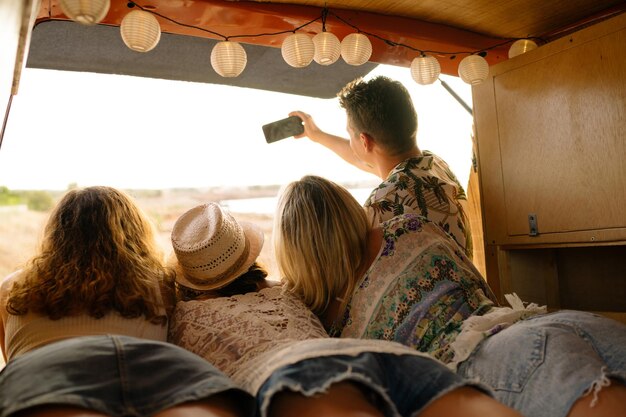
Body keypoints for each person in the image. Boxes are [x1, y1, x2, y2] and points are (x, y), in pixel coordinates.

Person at [272, 174, 626, 417]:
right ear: (347, 207)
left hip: (492, 364)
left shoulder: (325, 316)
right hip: (551, 322)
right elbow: (480, 288)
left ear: (294, 252)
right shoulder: (408, 226)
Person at [167, 202, 523, 417]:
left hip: (292, 375)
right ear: (247, 256)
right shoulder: (284, 292)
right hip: (378, 355)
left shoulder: (185, 317)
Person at [0, 186, 254, 417]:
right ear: (133, 231)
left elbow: (12, 358)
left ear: (56, 233)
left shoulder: (12, 287)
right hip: (142, 372)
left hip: (44, 373)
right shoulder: (159, 282)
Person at [289, 75, 472, 258]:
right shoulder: (435, 165)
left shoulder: (382, 204)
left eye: (350, 134)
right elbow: (364, 158)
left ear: (364, 141)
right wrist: (317, 135)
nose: (351, 142)